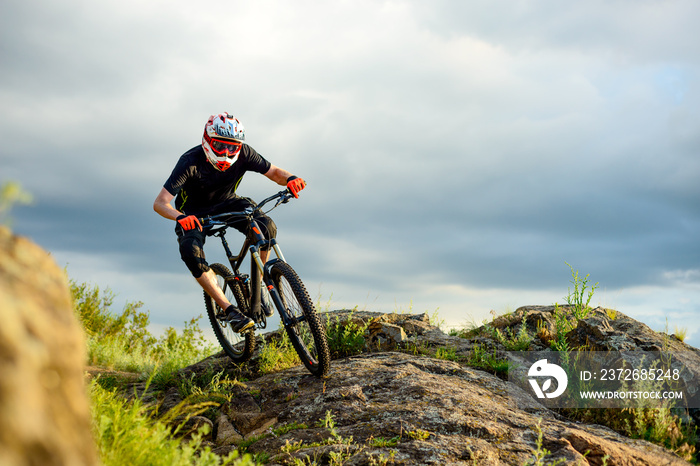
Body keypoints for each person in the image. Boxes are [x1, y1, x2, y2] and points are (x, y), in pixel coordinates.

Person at [153, 113, 306, 333]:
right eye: (219, 146)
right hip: (192, 213)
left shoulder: (245, 153)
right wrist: (180, 217)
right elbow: (160, 203)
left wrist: (291, 178)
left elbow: (273, 172)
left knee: (267, 227)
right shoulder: (189, 161)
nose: (226, 153)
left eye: (232, 148)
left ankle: (259, 285)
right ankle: (228, 309)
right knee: (190, 251)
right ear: (207, 140)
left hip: (228, 203)